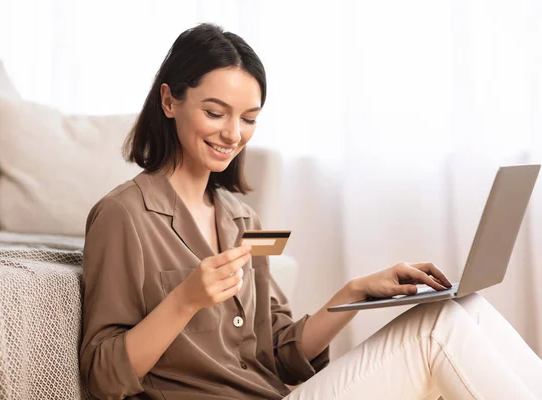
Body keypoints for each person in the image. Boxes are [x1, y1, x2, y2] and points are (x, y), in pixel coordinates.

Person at [79, 23, 542, 400]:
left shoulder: (242, 219)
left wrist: (356, 293)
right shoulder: (123, 216)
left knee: (468, 309)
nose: (233, 133)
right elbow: (103, 377)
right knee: (437, 329)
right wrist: (184, 300)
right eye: (216, 112)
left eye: (249, 118)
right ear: (169, 101)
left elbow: (278, 355)